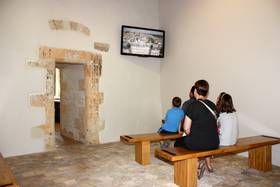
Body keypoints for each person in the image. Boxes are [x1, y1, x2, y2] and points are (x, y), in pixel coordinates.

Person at [174, 80, 219, 179]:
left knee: (178, 143)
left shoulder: (192, 106)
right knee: (194, 141)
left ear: (195, 91)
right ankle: (201, 164)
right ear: (206, 92)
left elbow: (186, 128)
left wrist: (191, 134)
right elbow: (215, 124)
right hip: (214, 142)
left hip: (198, 143)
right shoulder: (213, 105)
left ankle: (196, 165)